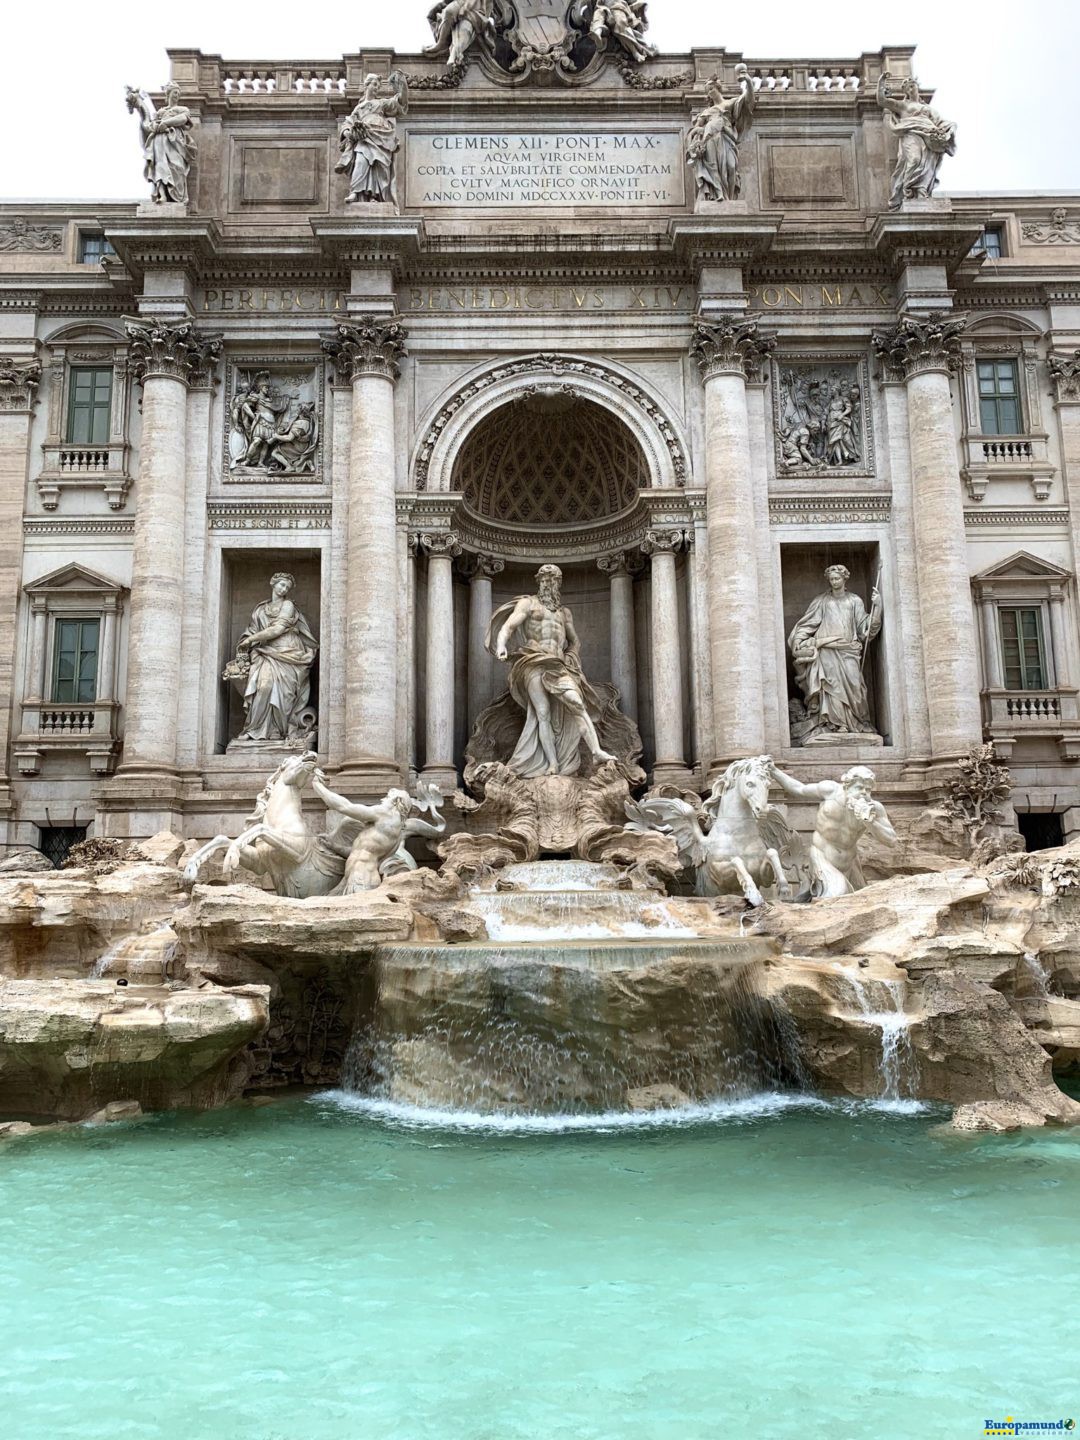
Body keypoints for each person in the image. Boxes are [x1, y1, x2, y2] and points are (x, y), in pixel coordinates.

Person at [488, 564, 616, 778]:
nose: (549, 583)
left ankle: (596, 751)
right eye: (545, 579)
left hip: (558, 665)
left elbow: (574, 641)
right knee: (543, 713)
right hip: (533, 661)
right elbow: (508, 627)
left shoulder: (564, 613)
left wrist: (571, 657)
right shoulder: (528, 604)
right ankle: (552, 763)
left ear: (559, 583)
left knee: (577, 703)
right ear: (539, 582)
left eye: (554, 579)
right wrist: (501, 645)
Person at [767, 763, 897, 898]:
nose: (864, 793)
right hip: (822, 858)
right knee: (838, 894)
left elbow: (891, 840)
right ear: (847, 786)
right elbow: (799, 789)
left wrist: (870, 821)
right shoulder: (830, 791)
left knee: (860, 899)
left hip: (850, 863)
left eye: (868, 790)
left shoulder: (874, 809)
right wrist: (774, 771)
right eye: (859, 788)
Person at [788, 565, 881, 740]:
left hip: (848, 650)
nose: (834, 582)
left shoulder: (854, 601)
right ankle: (837, 725)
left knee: (856, 686)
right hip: (827, 651)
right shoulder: (821, 601)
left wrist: (878, 608)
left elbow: (865, 630)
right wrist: (799, 640)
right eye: (831, 579)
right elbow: (808, 624)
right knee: (831, 688)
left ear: (845, 578)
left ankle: (859, 722)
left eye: (837, 578)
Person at [231, 574, 318, 744]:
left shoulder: (288, 605)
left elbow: (277, 629)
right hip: (265, 652)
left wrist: (250, 640)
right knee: (264, 686)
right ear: (273, 584)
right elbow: (252, 630)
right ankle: (254, 729)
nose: (284, 589)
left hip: (289, 653)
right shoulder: (260, 610)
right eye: (282, 585)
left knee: (285, 694)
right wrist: (247, 640)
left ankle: (278, 730)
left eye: (287, 587)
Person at [876, 73, 956, 209]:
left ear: (917, 87)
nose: (911, 89)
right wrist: (881, 82)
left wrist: (948, 129)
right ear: (905, 91)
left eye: (913, 86)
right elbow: (882, 101)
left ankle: (921, 191)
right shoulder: (902, 106)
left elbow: (940, 122)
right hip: (911, 133)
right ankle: (908, 191)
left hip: (930, 136)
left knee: (928, 165)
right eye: (908, 88)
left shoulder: (928, 109)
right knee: (914, 160)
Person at [686, 64, 756, 203]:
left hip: (726, 138)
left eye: (711, 89)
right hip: (710, 139)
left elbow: (748, 100)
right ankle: (719, 194)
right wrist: (694, 144)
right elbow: (695, 129)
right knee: (714, 168)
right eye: (708, 91)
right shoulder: (706, 112)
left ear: (718, 88)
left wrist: (748, 80)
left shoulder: (729, 104)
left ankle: (729, 198)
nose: (709, 93)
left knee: (731, 166)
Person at [336, 72, 409, 205]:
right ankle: (356, 192)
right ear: (367, 85)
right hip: (364, 138)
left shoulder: (381, 103)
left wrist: (402, 85)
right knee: (360, 162)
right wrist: (348, 132)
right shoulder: (358, 108)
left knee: (379, 166)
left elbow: (400, 102)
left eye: (378, 86)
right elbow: (347, 123)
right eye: (374, 84)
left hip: (381, 137)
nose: (376, 88)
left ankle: (377, 195)